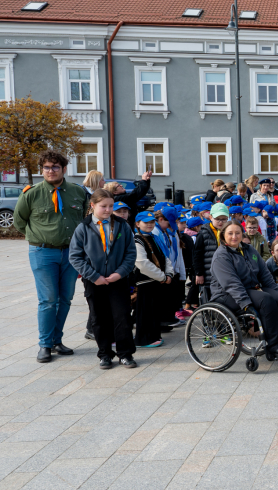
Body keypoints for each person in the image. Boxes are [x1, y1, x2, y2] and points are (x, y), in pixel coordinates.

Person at [14, 150, 89, 363]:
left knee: (65, 298)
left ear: (64, 169)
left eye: (55, 167)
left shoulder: (78, 192)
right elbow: (20, 222)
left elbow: (83, 217)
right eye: (46, 167)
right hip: (42, 252)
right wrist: (39, 236)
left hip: (71, 254)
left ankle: (57, 340)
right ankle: (45, 345)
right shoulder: (31, 193)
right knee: (48, 300)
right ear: (42, 170)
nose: (51, 171)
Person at [68, 190, 137, 369]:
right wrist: (93, 276)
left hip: (118, 280)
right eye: (103, 206)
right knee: (99, 318)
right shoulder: (83, 227)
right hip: (94, 281)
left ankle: (125, 353)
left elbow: (130, 253)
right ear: (92, 206)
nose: (108, 210)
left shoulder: (122, 226)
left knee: (122, 316)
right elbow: (75, 256)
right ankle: (105, 354)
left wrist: (120, 273)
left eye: (111, 206)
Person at [209, 220, 278, 359]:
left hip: (249, 288)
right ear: (223, 235)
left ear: (243, 234)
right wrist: (246, 304)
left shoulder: (249, 249)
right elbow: (231, 283)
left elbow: (264, 274)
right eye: (230, 233)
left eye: (237, 233)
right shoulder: (221, 255)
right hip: (226, 294)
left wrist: (276, 292)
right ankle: (273, 347)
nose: (234, 236)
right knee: (266, 300)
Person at [134, 210, 173, 348]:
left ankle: (154, 335)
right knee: (145, 311)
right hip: (146, 281)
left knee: (155, 310)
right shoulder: (137, 240)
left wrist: (169, 273)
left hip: (157, 280)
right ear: (138, 224)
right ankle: (144, 339)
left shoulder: (154, 237)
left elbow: (164, 257)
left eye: (152, 222)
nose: (150, 225)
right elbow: (142, 264)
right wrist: (162, 276)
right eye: (146, 222)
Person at [192, 203, 230, 303]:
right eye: (218, 219)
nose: (221, 222)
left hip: (225, 272)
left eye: (224, 219)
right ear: (210, 217)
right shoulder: (203, 232)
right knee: (208, 299)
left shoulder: (229, 232)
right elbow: (197, 254)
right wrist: (199, 273)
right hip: (208, 274)